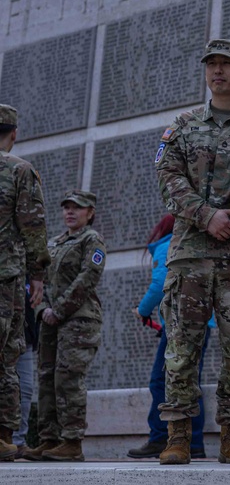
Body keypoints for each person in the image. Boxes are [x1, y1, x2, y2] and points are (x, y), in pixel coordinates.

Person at [155, 39, 230, 465]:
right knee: (181, 349)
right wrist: (206, 216)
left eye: (228, 64)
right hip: (190, 256)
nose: (218, 71)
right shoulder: (183, 126)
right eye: (212, 64)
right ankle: (178, 437)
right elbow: (167, 178)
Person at [23, 190, 104, 462]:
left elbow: (87, 278)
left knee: (68, 379)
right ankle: (49, 439)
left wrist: (57, 311)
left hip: (79, 320)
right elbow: (39, 280)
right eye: (66, 207)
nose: (70, 212)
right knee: (47, 378)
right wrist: (41, 309)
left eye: (77, 208)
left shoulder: (92, 240)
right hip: (49, 320)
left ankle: (71, 441)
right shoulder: (55, 243)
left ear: (90, 213)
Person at [127, 214, 212, 460]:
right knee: (190, 380)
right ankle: (194, 442)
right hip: (201, 321)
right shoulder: (197, 245)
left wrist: (143, 311)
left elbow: (158, 285)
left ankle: (159, 437)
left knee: (161, 381)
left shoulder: (167, 245)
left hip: (177, 323)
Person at [0, 104, 48, 463]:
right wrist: (37, 275)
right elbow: (32, 226)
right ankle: (3, 436)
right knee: (6, 355)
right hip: (6, 278)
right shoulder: (20, 170)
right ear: (13, 134)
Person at [12, 278, 39, 459]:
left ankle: (18, 442)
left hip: (24, 337)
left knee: (26, 389)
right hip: (6, 336)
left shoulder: (32, 275)